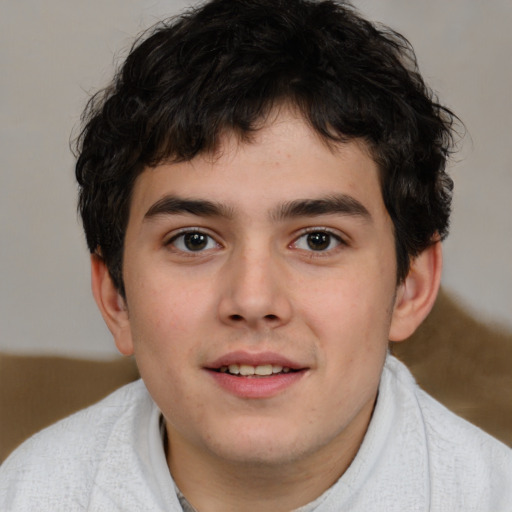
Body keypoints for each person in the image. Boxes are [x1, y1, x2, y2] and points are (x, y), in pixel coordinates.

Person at [1, 0, 511, 510]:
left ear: (411, 287)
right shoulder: (30, 493)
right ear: (116, 296)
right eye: (193, 240)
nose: (252, 298)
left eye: (318, 240)